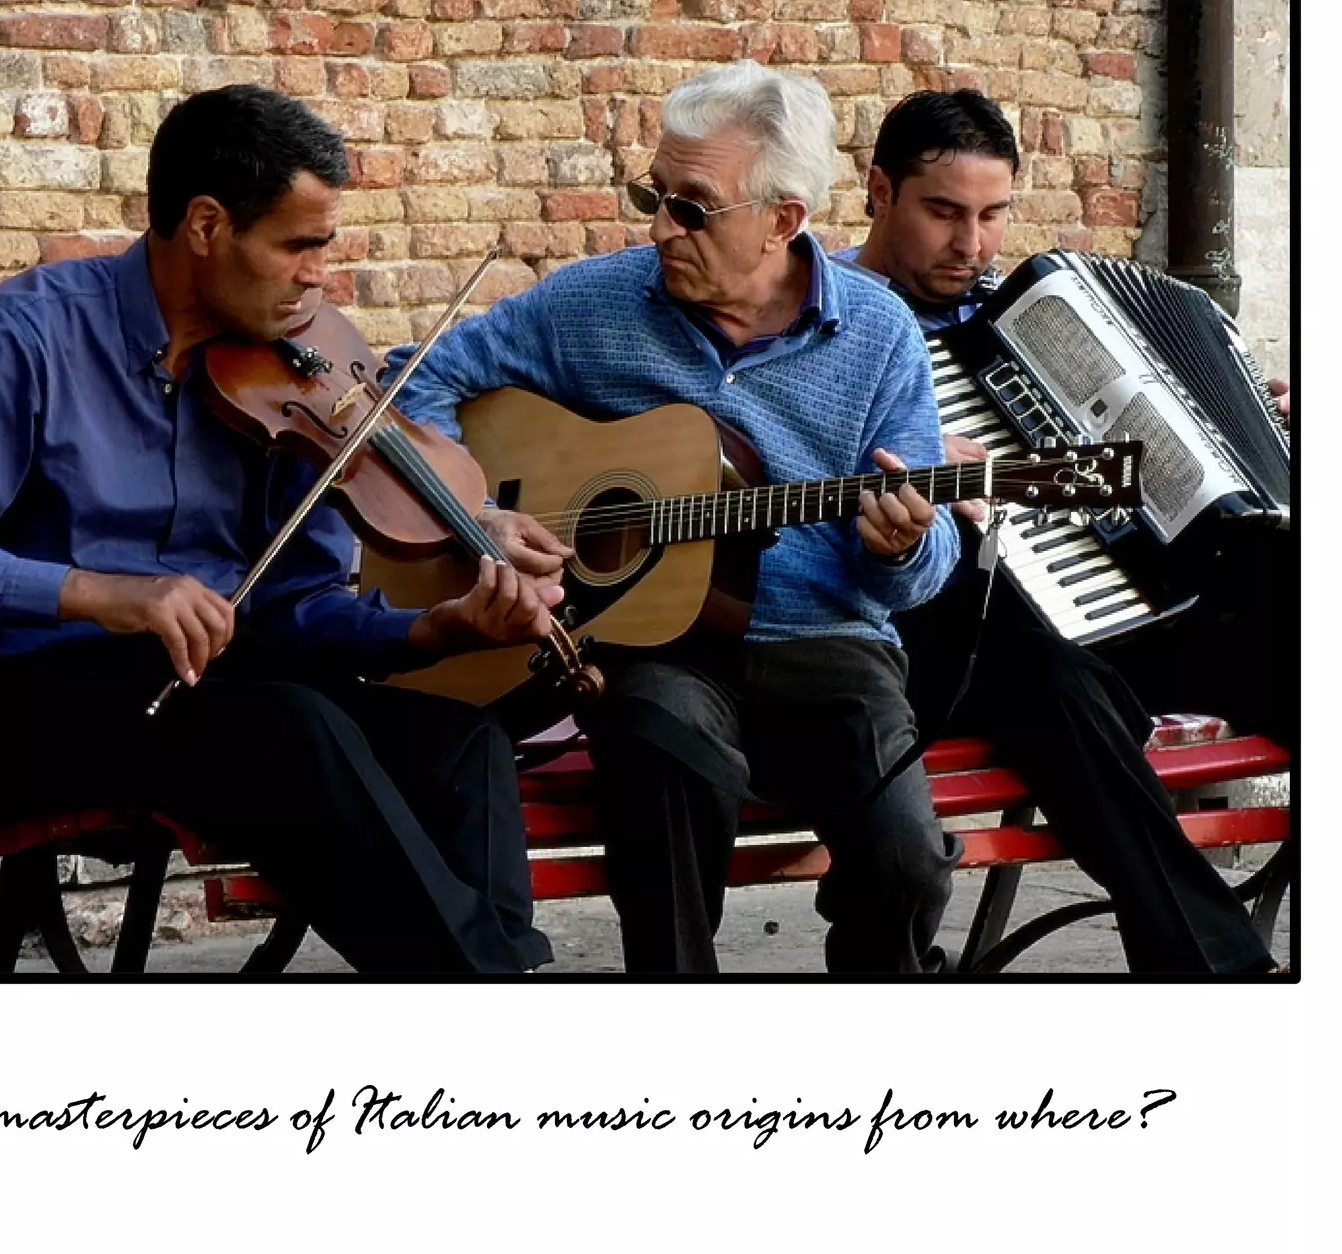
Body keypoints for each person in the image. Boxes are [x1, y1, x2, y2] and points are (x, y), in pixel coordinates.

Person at [0, 83, 567, 975]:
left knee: (460, 744)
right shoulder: (32, 331)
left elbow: (294, 607)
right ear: (208, 225)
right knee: (292, 726)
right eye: (298, 245)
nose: (317, 277)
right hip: (42, 700)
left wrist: (430, 629)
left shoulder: (288, 377)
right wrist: (105, 593)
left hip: (227, 696)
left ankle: (495, 980)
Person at [386, 59, 962, 974]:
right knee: (657, 752)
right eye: (655, 196)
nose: (660, 228)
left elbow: (925, 568)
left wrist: (905, 544)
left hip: (827, 643)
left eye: (692, 207)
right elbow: (415, 383)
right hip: (662, 647)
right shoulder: (598, 300)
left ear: (784, 220)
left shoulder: (881, 330)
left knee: (905, 860)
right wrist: (479, 510)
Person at [838, 87, 1292, 973]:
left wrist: (1275, 431)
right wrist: (905, 446)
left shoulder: (1031, 308)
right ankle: (1224, 973)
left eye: (993, 215)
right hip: (958, 620)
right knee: (1054, 679)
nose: (972, 244)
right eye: (943, 213)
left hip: (1126, 609)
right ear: (879, 191)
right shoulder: (829, 313)